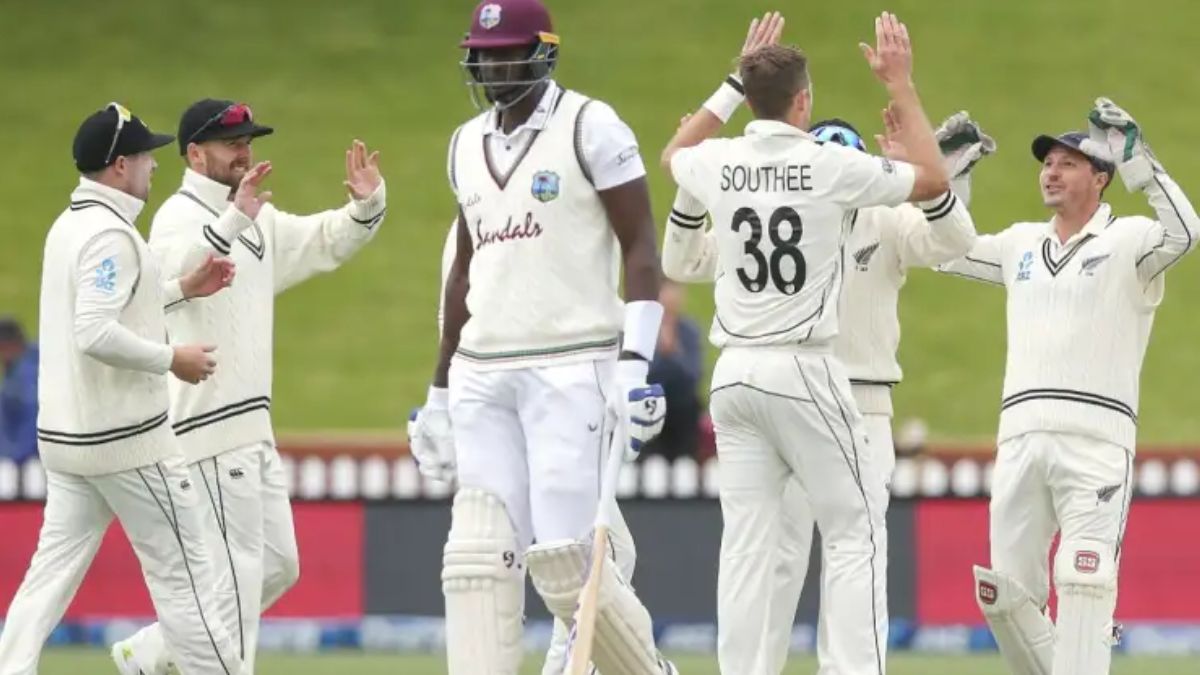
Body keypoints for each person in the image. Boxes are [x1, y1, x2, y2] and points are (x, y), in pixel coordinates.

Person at [660, 12, 951, 674]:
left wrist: (730, 86)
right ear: (804, 103)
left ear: (751, 96)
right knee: (856, 529)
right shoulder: (831, 164)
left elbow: (673, 157)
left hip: (734, 377)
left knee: (747, 545)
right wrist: (902, 86)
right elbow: (932, 180)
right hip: (804, 365)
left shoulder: (721, 159)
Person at [408, 0, 674, 672]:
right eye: (484, 54)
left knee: (566, 555)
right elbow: (464, 272)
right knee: (481, 554)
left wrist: (635, 362)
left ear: (544, 52)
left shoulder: (592, 125)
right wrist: (438, 389)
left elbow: (642, 246)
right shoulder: (464, 144)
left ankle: (623, 666)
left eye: (508, 53)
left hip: (572, 359)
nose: (494, 66)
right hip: (481, 369)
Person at [111, 99, 386, 675]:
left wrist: (365, 205)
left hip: (252, 427)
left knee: (278, 565)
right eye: (230, 143)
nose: (244, 152)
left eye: (248, 141)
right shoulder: (177, 217)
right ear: (193, 153)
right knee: (235, 578)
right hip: (206, 428)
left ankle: (154, 652)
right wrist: (233, 217)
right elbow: (164, 283)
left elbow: (321, 239)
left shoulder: (256, 216)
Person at [939, 99, 1199, 675]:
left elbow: (1186, 232)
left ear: (1100, 178)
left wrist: (1138, 160)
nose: (1051, 171)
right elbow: (946, 252)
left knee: (1084, 584)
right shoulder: (1019, 244)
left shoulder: (1129, 240)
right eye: (1047, 163)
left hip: (1096, 442)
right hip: (1022, 437)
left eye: (1069, 163)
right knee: (1007, 597)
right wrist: (950, 176)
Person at [0, 102, 242, 675]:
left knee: (48, 576)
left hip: (68, 442)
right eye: (142, 157)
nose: (152, 166)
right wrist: (171, 359)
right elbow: (94, 331)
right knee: (187, 576)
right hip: (125, 442)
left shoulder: (70, 226)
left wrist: (183, 286)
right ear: (117, 167)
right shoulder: (110, 234)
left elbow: (114, 307)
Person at [643, 279, 704, 461]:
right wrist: (663, 355)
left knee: (689, 403)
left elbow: (694, 375)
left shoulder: (689, 331)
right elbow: (642, 374)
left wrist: (673, 354)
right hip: (650, 406)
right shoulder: (643, 330)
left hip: (681, 408)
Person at [0, 318, 38, 464]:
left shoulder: (24, 375)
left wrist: (13, 456)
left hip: (29, 462)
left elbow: (31, 421)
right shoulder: (26, 363)